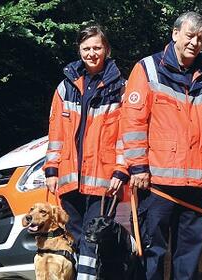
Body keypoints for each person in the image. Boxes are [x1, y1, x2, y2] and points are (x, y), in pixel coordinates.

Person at [120, 11, 202, 280]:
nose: (195, 42)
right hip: (155, 183)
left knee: (188, 258)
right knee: (152, 254)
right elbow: (133, 123)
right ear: (175, 34)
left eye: (201, 38)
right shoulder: (147, 69)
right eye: (190, 36)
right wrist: (137, 168)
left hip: (195, 187)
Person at [43, 24, 128, 280]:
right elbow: (56, 133)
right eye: (86, 48)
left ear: (107, 50)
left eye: (97, 48)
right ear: (79, 51)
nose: (91, 53)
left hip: (103, 179)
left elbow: (126, 134)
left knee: (94, 239)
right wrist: (51, 169)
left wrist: (121, 170)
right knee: (76, 237)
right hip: (69, 178)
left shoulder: (120, 87)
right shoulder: (64, 87)